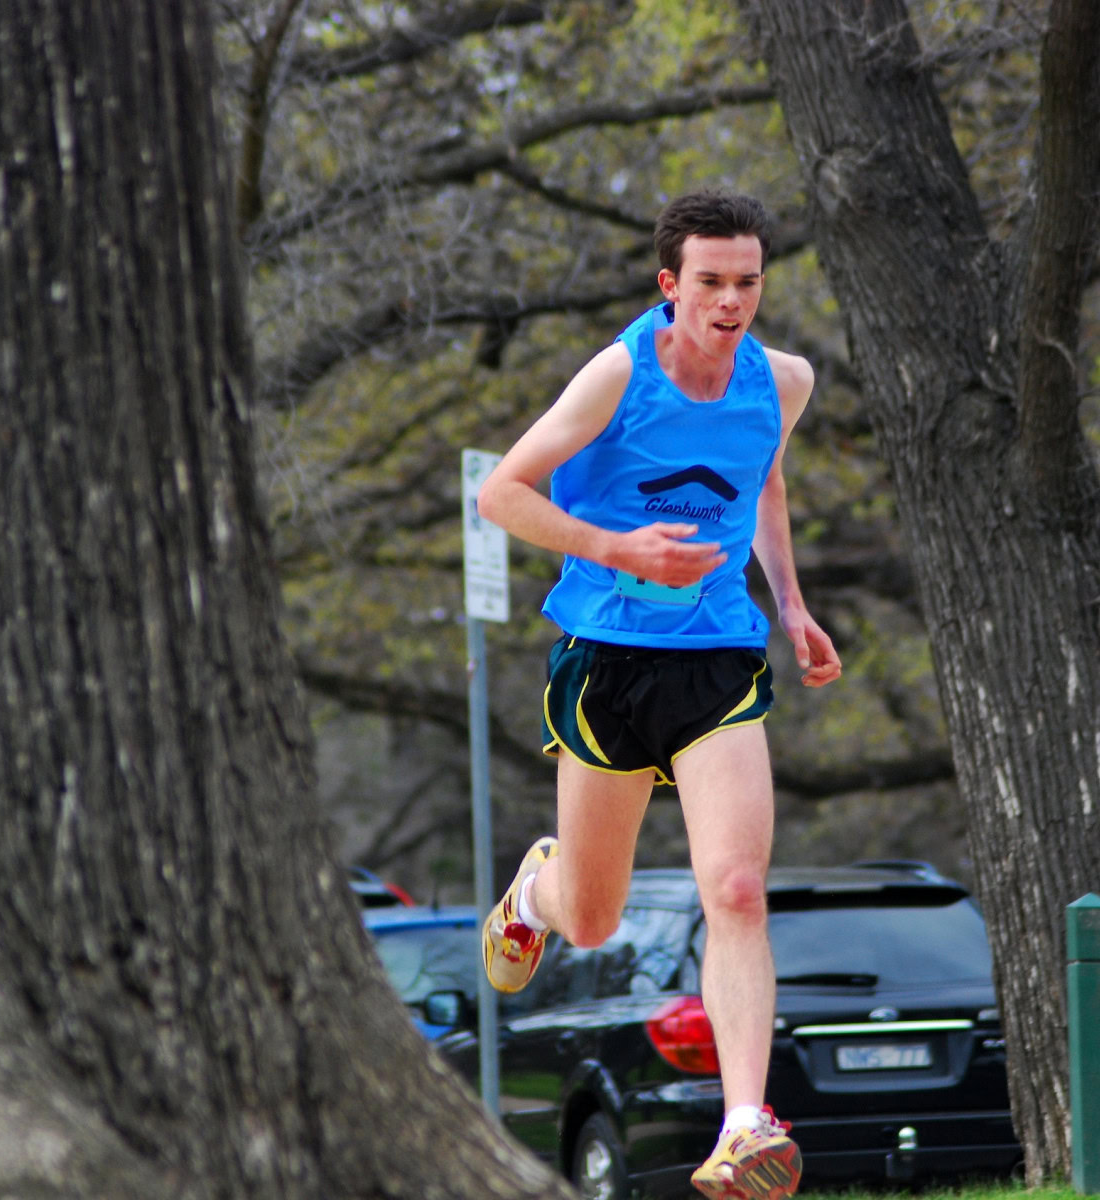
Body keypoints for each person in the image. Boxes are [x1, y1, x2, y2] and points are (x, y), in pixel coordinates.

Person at [476, 190, 841, 1200]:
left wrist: (791, 604)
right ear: (669, 284)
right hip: (606, 659)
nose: (730, 302)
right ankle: (535, 892)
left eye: (747, 282)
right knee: (591, 919)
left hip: (718, 657)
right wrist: (616, 548)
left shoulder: (783, 380)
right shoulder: (618, 374)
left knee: (736, 890)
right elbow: (500, 492)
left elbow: (763, 484)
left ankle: (743, 1125)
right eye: (710, 282)